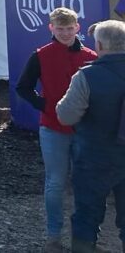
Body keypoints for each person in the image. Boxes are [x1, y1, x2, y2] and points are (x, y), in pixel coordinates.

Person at [14, 7, 97, 251]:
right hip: (52, 128)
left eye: (69, 28)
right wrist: (47, 106)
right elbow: (23, 87)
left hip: (84, 130)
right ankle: (54, 236)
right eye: (60, 28)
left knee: (86, 184)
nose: (65, 33)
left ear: (78, 28)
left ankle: (85, 237)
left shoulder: (90, 56)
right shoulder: (40, 55)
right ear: (51, 28)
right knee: (55, 183)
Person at [54, 19, 125, 252]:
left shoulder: (87, 77)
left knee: (86, 218)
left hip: (94, 159)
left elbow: (66, 116)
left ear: (101, 46)